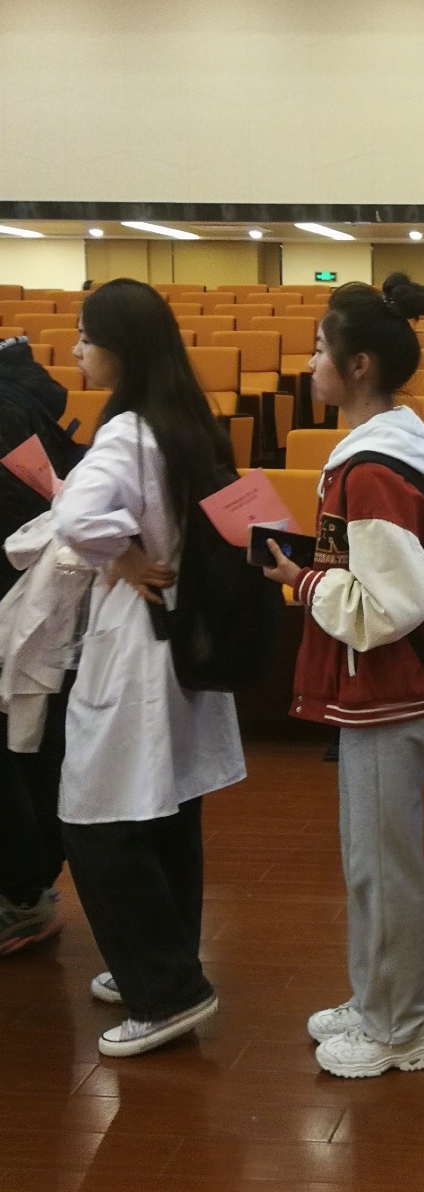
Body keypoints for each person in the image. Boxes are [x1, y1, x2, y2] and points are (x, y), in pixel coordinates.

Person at [265, 273, 424, 1080]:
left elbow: (390, 606)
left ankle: (403, 1026)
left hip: (385, 688)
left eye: (319, 350)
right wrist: (312, 570)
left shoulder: (371, 472)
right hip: (373, 689)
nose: (309, 364)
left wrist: (300, 580)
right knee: (367, 861)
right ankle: (375, 995)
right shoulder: (372, 460)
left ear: (360, 365)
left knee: (383, 865)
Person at [51, 280, 245, 1058]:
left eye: (85, 336)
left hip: (139, 640)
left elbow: (75, 517)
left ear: (121, 348)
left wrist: (121, 554)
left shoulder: (127, 431)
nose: (76, 350)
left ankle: (166, 990)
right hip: (183, 636)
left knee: (95, 818)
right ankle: (164, 957)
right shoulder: (189, 419)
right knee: (166, 809)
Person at [0, 336, 81, 955]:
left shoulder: (9, 409)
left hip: (22, 606)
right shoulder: (21, 399)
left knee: (21, 757)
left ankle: (24, 896)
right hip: (25, 607)